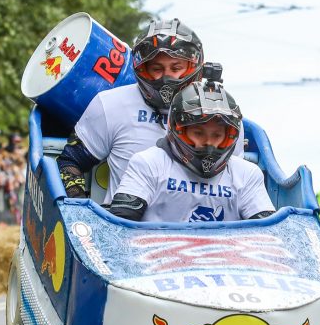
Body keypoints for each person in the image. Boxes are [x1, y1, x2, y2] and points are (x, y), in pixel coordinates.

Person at [57, 18, 243, 202]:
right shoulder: (111, 104)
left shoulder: (224, 115)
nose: (167, 77)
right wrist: (82, 211)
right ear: (142, 68)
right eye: (157, 68)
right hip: (124, 223)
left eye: (176, 67)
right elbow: (70, 161)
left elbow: (236, 181)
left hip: (200, 227)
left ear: (194, 67)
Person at [108, 80, 274, 223]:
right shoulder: (147, 163)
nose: (209, 143)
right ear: (177, 129)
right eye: (198, 133)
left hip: (222, 259)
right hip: (154, 257)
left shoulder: (248, 175)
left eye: (217, 135)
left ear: (231, 136)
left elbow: (269, 236)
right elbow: (119, 225)